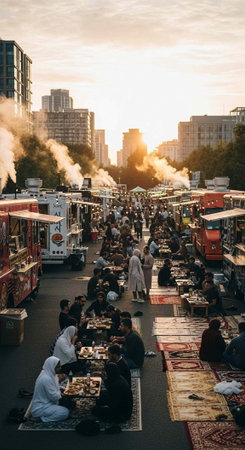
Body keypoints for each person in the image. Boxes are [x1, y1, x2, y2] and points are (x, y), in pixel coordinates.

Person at [31, 356, 69, 422]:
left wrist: (60, 387)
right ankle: (42, 419)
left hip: (48, 402)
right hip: (42, 407)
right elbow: (54, 397)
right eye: (58, 367)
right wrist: (62, 393)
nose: (60, 368)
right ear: (52, 366)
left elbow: (54, 387)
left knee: (70, 403)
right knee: (65, 412)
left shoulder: (48, 373)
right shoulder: (46, 379)